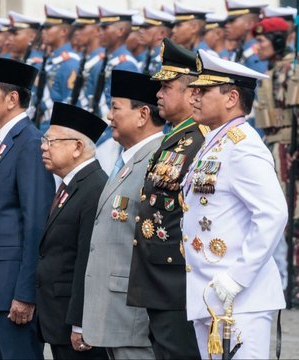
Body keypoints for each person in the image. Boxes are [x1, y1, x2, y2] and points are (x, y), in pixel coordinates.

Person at [184, 48, 287, 359]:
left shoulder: (243, 147)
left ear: (230, 98)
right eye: (194, 90)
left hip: (239, 297)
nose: (194, 97)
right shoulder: (217, 141)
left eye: (203, 90)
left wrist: (237, 277)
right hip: (212, 294)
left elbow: (273, 213)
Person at [126, 38, 206, 360]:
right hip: (159, 277)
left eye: (166, 86)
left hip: (177, 279)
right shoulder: (175, 139)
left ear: (190, 93)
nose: (158, 93)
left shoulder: (198, 140)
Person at [0, 56, 56, 359]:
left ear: (11, 99)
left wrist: (25, 293)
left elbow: (35, 223)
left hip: (13, 293)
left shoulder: (30, 144)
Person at [82, 70, 164, 360]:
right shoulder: (127, 159)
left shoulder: (157, 160)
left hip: (133, 312)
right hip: (113, 310)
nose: (108, 116)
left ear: (143, 115)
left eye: (116, 108)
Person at [36, 102, 108, 360]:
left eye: (51, 141)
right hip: (57, 317)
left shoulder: (94, 188)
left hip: (75, 322)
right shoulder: (70, 185)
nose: (43, 146)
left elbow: (89, 261)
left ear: (77, 147)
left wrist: (80, 321)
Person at [253, 17, 293, 290]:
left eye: (262, 41)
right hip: (272, 143)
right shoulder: (273, 69)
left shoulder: (291, 70)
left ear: (278, 40)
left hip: (287, 149)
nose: (257, 47)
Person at [38, 5, 80, 130]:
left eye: (48, 27)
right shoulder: (52, 59)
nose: (43, 31)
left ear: (63, 31)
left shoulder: (69, 63)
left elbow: (68, 107)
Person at [224, 0, 268, 73]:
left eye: (232, 21)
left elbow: (259, 83)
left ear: (249, 24)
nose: (227, 25)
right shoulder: (241, 49)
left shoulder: (257, 54)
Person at [139, 7, 174, 76]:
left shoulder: (166, 61)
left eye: (146, 27)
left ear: (162, 33)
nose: (141, 31)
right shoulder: (150, 55)